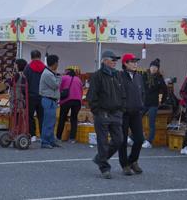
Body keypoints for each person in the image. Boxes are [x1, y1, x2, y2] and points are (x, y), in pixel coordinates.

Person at [87, 50, 125, 179]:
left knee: (119, 139)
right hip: (102, 113)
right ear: (104, 60)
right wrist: (97, 111)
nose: (115, 62)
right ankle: (104, 167)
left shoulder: (117, 75)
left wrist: (121, 109)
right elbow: (91, 96)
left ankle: (100, 158)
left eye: (116, 60)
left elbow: (122, 94)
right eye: (112, 59)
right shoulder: (97, 76)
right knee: (102, 142)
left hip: (116, 113)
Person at [119, 53, 145, 176]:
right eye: (132, 62)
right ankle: (124, 165)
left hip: (136, 112)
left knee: (140, 139)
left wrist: (141, 106)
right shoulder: (119, 76)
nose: (135, 64)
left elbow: (142, 93)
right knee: (122, 140)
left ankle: (132, 161)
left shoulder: (139, 77)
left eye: (136, 62)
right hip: (123, 113)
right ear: (125, 63)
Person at [141, 59, 167, 149]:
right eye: (152, 67)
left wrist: (161, 101)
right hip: (143, 102)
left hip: (154, 104)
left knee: (151, 123)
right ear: (150, 67)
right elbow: (140, 88)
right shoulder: (144, 76)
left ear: (158, 69)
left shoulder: (159, 78)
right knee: (136, 119)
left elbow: (164, 91)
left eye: (156, 67)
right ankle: (135, 137)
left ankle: (149, 141)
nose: (153, 69)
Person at [39, 54, 61, 149]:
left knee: (51, 122)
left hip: (51, 100)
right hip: (48, 100)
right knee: (48, 122)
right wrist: (59, 77)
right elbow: (55, 85)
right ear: (55, 63)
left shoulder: (49, 73)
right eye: (57, 63)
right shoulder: (47, 74)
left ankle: (51, 140)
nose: (58, 65)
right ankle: (45, 141)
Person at [24, 50, 46, 142]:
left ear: (31, 57)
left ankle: (32, 135)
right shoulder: (45, 68)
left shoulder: (28, 68)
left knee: (30, 116)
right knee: (41, 116)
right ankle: (42, 135)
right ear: (40, 56)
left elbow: (25, 82)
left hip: (31, 95)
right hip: (42, 95)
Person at [56, 68, 83, 143]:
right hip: (77, 101)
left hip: (66, 100)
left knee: (62, 118)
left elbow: (59, 88)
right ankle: (72, 138)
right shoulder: (78, 79)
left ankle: (58, 137)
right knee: (74, 119)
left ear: (67, 72)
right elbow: (81, 90)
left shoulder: (64, 78)